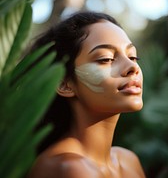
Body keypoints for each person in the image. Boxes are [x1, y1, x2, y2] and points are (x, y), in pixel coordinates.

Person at [28, 11, 146, 178]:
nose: (132, 67)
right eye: (106, 59)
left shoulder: (128, 160)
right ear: (64, 84)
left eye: (133, 56)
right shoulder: (69, 168)